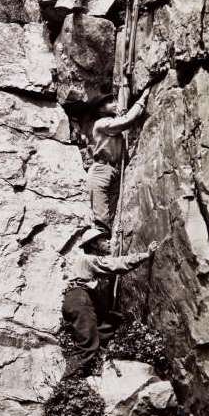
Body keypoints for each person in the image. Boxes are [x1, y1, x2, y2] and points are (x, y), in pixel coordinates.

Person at [62, 229, 159, 376]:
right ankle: (68, 383)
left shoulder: (91, 261)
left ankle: (95, 364)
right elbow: (116, 264)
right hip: (80, 299)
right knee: (87, 345)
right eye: (104, 240)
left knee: (110, 322)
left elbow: (110, 261)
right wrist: (146, 255)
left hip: (79, 300)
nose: (108, 242)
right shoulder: (87, 259)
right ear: (94, 244)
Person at [87, 87, 150, 234]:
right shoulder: (101, 124)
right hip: (101, 171)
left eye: (114, 100)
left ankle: (110, 241)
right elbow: (126, 121)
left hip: (114, 171)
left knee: (114, 216)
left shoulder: (110, 122)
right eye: (109, 102)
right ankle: (102, 245)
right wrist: (141, 101)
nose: (115, 103)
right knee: (102, 219)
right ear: (101, 109)